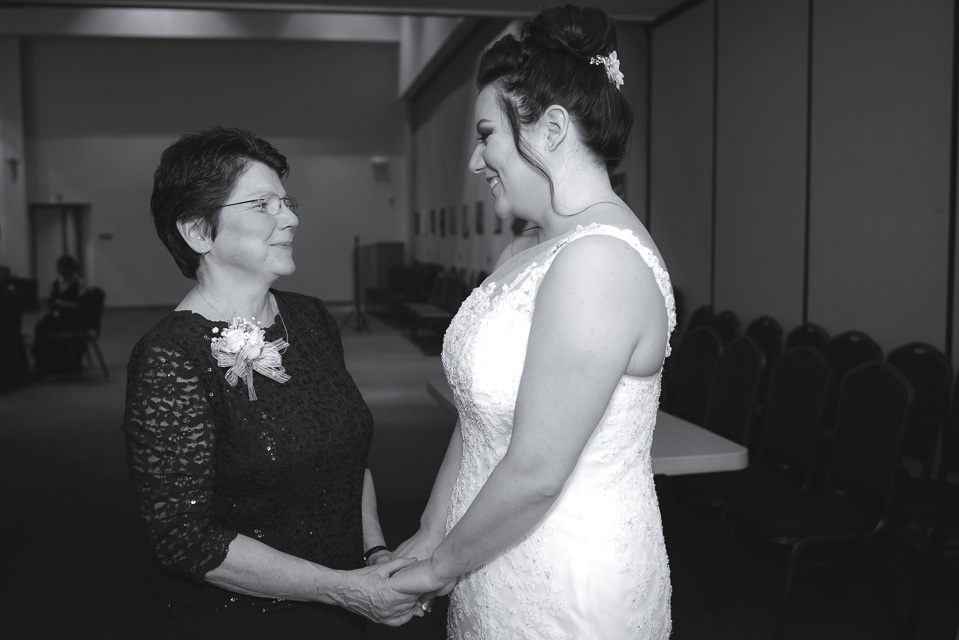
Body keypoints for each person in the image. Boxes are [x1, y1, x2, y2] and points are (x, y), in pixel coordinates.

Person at [389, 5, 675, 639]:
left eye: (487, 133)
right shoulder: (525, 249)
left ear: (550, 129)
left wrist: (438, 568)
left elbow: (540, 470)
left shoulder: (600, 261)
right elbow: (478, 416)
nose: (474, 159)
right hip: (488, 551)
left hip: (567, 580)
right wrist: (433, 532)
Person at [121, 127, 424, 638]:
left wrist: (374, 554)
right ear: (199, 232)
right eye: (263, 204)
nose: (291, 218)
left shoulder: (309, 320)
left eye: (287, 201)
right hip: (242, 617)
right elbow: (185, 539)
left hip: (349, 598)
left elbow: (349, 461)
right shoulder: (170, 356)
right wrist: (342, 587)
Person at [32, 254, 83, 374]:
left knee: (43, 328)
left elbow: (81, 306)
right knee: (41, 326)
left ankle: (47, 363)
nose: (61, 272)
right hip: (58, 314)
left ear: (70, 269)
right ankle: (45, 362)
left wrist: (64, 304)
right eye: (59, 269)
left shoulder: (78, 284)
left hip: (72, 317)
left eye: (63, 269)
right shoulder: (57, 282)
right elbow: (53, 300)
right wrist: (49, 303)